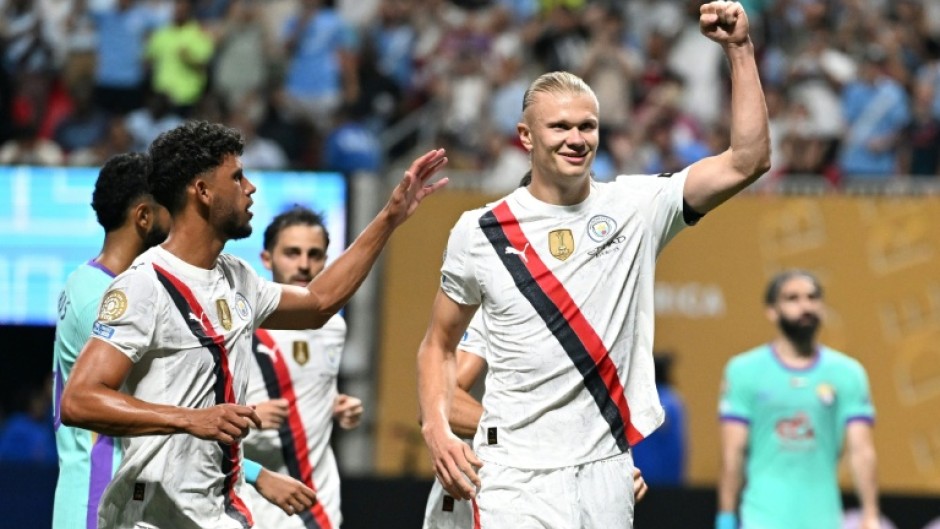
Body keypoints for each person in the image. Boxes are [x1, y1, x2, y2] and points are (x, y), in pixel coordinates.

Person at [416, 2, 770, 527]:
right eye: (560, 127)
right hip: (514, 472)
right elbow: (438, 345)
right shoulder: (480, 231)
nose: (576, 139)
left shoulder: (635, 206)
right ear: (526, 136)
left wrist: (739, 50)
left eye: (588, 126)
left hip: (607, 471)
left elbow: (748, 160)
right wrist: (438, 431)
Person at [60, 121, 448, 529]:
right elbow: (80, 399)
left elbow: (318, 303)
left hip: (220, 512)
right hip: (153, 517)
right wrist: (188, 417)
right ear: (203, 192)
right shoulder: (144, 286)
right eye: (237, 177)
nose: (251, 188)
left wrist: (389, 218)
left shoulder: (236, 277)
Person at [51, 152, 321, 529]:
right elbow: (90, 401)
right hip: (102, 493)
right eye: (169, 209)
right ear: (145, 217)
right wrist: (257, 474)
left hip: (92, 489)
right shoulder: (119, 295)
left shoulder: (84, 283)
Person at [421, 311, 649, 529]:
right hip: (490, 491)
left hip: (565, 488)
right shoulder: (500, 303)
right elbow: (440, 406)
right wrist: (534, 431)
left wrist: (614, 474)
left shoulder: (608, 318)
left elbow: (595, 417)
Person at [716, 270, 879, 529]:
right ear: (772, 310)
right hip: (761, 518)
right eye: (792, 298)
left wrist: (870, 513)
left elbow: (861, 450)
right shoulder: (743, 371)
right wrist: (725, 517)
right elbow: (732, 452)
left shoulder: (848, 374)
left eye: (812, 297)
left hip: (823, 519)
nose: (805, 306)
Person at [241, 206, 364, 529]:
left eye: (315, 254)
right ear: (267, 259)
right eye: (292, 253)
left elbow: (313, 388)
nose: (304, 265)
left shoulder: (333, 329)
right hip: (251, 498)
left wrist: (338, 405)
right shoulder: (241, 327)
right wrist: (248, 414)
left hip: (317, 504)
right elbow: (198, 409)